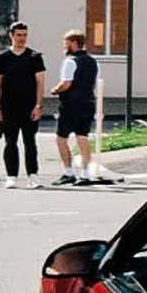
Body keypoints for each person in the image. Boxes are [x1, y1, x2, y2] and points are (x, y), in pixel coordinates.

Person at [0, 21, 45, 188]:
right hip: (8, 107)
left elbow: (40, 82)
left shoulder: (35, 57)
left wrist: (38, 106)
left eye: (25, 35)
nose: (22, 38)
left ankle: (33, 176)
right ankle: (11, 176)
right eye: (19, 35)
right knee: (10, 141)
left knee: (30, 142)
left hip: (29, 107)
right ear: (11, 36)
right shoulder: (2, 58)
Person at [51, 30, 102, 184]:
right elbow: (94, 84)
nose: (65, 46)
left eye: (66, 43)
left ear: (74, 43)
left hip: (71, 104)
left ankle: (68, 172)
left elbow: (66, 84)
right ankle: (86, 174)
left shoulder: (70, 61)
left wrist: (55, 90)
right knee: (82, 137)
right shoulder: (94, 62)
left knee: (61, 138)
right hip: (88, 103)